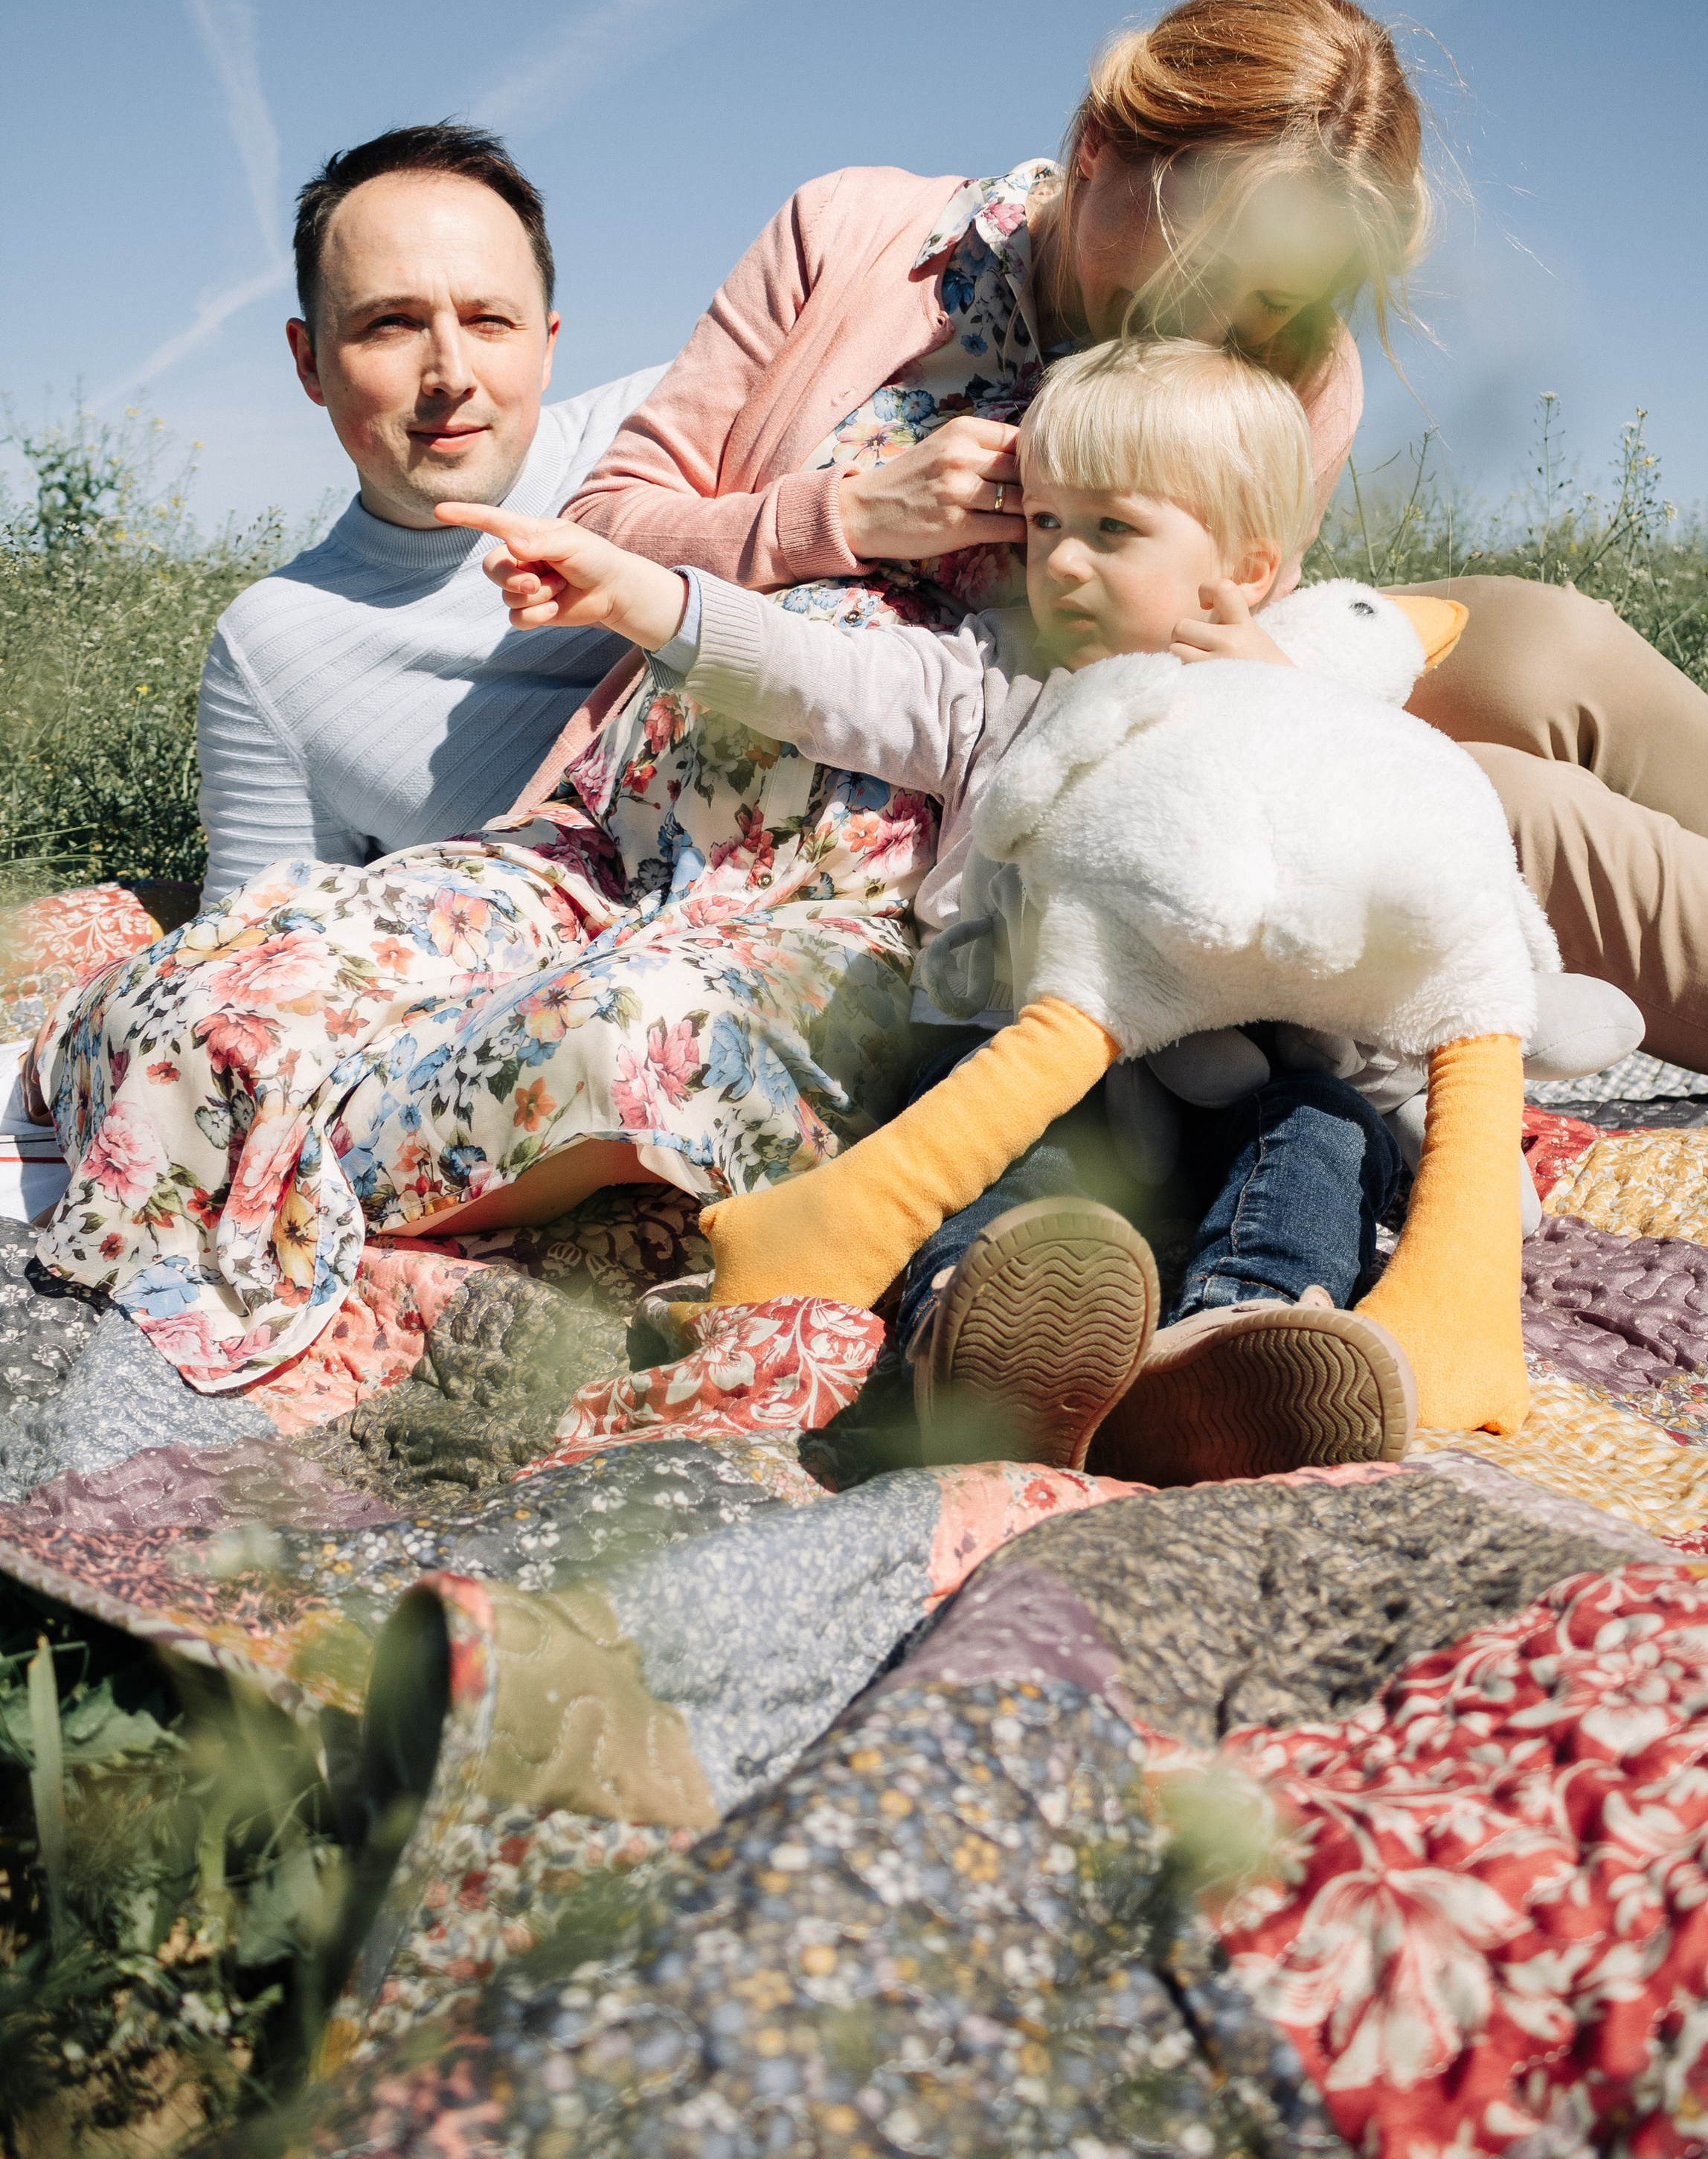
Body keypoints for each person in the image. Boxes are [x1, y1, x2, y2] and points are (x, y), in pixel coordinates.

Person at [546, 0, 1708, 1100]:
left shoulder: (1296, 366)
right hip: (976, 779)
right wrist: (840, 513)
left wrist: (1256, 660)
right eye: (1213, 275)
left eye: (1280, 303)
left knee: (1547, 647)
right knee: (1509, 810)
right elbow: (602, 527)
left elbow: (1236, 654)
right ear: (1099, 156)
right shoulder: (852, 231)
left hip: (1166, 705)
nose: (1228, 340)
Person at [445, 336, 1419, 1479]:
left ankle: (1235, 1347)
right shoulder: (998, 687)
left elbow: (1395, 900)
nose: (1059, 564)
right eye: (1048, 524)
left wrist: (1278, 714)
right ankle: (979, 1342)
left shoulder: (1312, 719)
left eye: (1113, 531)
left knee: (1321, 1134)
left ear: (1249, 573)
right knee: (1007, 1174)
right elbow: (817, 680)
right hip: (1017, 1067)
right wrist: (648, 602)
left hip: (1241, 1068)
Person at [193, 122, 664, 904]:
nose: (450, 374)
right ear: (309, 361)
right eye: (392, 323)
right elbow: (256, 956)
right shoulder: (272, 651)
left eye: (489, 321)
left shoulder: (678, 426)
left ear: (546, 346)